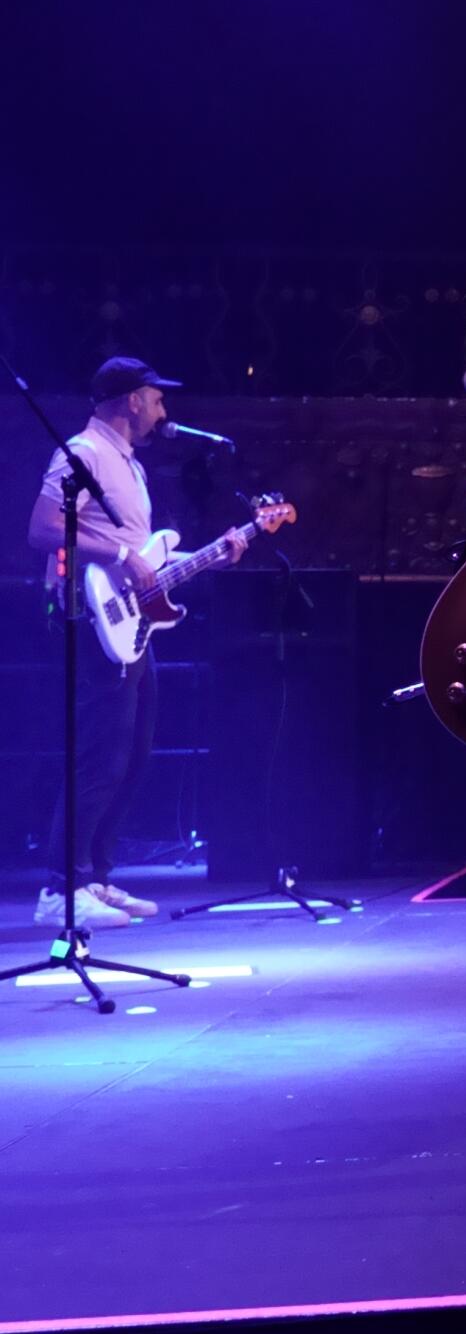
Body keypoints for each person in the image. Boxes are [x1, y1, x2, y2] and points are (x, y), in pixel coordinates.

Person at [24, 357, 245, 930]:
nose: (163, 409)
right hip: (86, 617)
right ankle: (60, 888)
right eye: (156, 398)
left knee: (135, 751)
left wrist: (214, 553)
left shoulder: (130, 467)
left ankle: (94, 876)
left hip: (128, 625)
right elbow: (43, 529)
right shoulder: (82, 454)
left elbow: (147, 560)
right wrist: (121, 555)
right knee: (101, 753)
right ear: (129, 401)